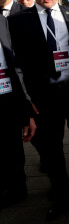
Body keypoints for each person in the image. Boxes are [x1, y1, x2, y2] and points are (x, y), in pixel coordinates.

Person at [8, 0, 69, 220]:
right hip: (43, 98)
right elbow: (17, 66)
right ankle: (61, 195)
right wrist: (26, 100)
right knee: (52, 151)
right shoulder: (17, 22)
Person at [0, 14, 35, 208]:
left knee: (13, 149)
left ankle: (16, 189)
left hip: (8, 96)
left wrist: (25, 104)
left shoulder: (2, 20)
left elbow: (16, 65)